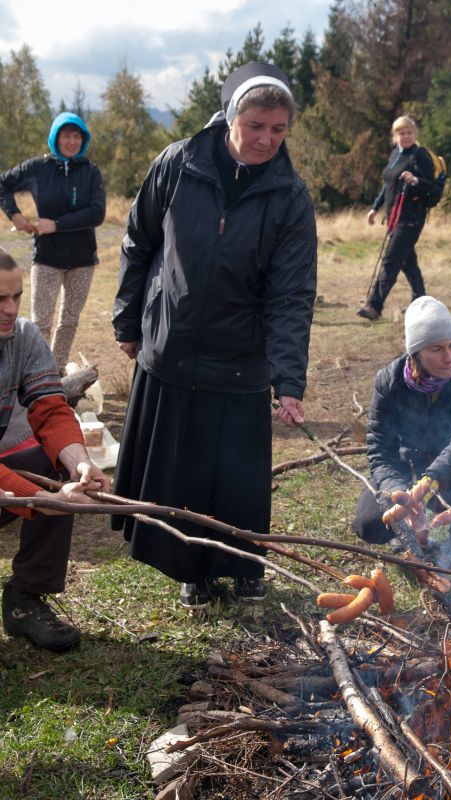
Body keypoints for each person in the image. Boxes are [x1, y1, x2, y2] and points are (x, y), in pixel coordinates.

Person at [111, 62, 317, 609]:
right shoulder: (179, 164)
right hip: (173, 344)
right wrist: (129, 321)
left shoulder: (289, 197)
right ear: (231, 118)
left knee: (239, 476)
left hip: (241, 358)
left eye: (278, 130)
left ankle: (244, 562)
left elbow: (292, 293)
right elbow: (139, 242)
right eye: (256, 126)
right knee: (185, 466)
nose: (266, 139)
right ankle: (191, 567)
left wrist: (288, 378)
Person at [0, 248, 111, 651]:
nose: (11, 309)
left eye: (16, 296)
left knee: (57, 467)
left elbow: (50, 409)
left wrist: (80, 462)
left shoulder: (25, 337)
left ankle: (25, 599)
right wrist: (37, 499)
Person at [353, 296, 451, 543]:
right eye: (437, 349)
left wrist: (430, 481)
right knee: (369, 525)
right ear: (416, 353)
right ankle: (407, 532)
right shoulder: (389, 382)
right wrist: (400, 493)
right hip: (408, 467)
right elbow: (380, 448)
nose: (449, 357)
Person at [0, 111, 106, 371]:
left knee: (69, 322)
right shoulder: (38, 168)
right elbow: (2, 184)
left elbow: (97, 213)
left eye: (77, 136)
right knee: (40, 323)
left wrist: (56, 225)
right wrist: (15, 215)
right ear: (55, 138)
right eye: (66, 135)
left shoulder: (90, 171)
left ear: (84, 139)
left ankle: (55, 372)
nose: (71, 141)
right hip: (47, 257)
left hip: (82, 259)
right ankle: (34, 372)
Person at [358, 115, 438, 321]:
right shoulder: (396, 154)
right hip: (394, 217)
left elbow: (431, 186)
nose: (406, 136)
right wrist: (375, 208)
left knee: (391, 260)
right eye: (402, 133)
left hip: (411, 218)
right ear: (395, 136)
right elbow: (388, 185)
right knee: (407, 261)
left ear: (415, 134)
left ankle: (374, 306)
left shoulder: (420, 156)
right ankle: (421, 299)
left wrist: (415, 180)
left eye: (409, 132)